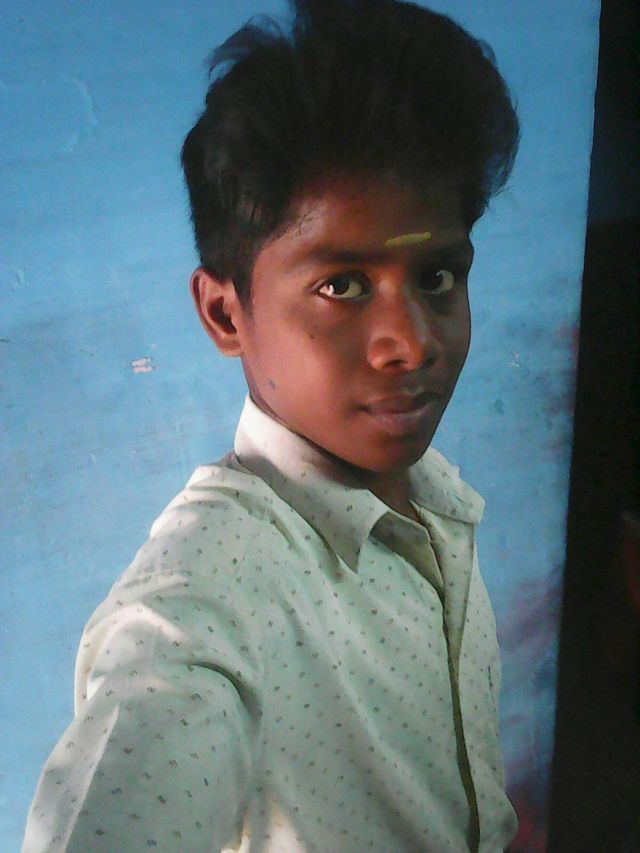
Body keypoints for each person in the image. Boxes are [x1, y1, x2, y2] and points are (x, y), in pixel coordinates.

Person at [22, 0, 520, 850]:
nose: (411, 342)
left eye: (438, 276)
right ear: (225, 313)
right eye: (342, 286)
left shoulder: (439, 501)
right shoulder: (205, 598)